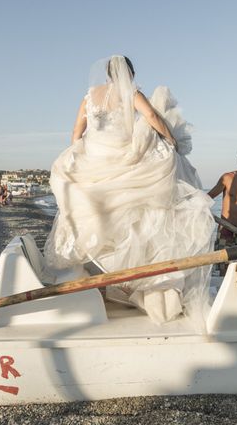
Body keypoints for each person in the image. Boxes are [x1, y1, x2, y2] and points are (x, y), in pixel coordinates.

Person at [46, 55, 215, 328]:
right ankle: (143, 282)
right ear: (130, 73)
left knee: (103, 217)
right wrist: (171, 140)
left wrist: (84, 152)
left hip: (96, 156)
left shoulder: (90, 96)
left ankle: (102, 285)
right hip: (124, 153)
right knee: (144, 213)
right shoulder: (131, 92)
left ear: (108, 74)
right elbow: (150, 116)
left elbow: (77, 132)